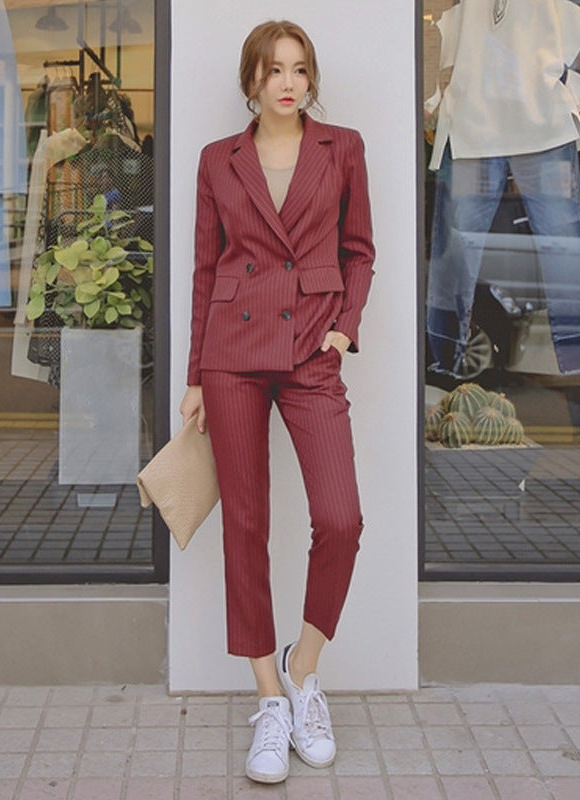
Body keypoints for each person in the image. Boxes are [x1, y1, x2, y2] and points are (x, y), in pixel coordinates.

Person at [180, 20, 375, 784]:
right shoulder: (216, 161)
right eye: (273, 71)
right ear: (251, 83)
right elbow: (204, 269)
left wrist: (342, 332)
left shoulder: (342, 148)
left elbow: (360, 250)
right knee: (248, 525)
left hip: (310, 352)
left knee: (341, 517)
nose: (288, 83)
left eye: (299, 70)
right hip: (231, 353)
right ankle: (268, 699)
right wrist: (196, 374)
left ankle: (304, 667)